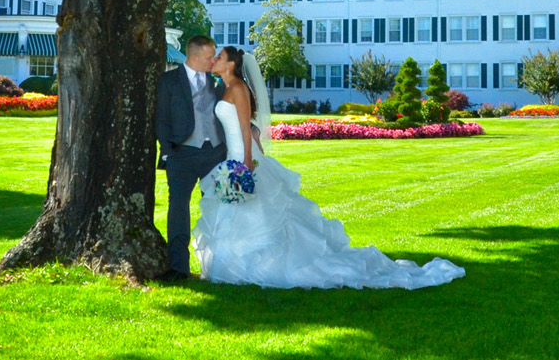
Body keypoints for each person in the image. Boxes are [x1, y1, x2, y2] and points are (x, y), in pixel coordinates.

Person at [193, 45, 465, 290]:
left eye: (220, 57)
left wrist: (247, 163)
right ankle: (232, 265)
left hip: (241, 160)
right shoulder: (225, 88)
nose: (215, 59)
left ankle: (259, 265)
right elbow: (248, 128)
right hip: (231, 158)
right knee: (235, 215)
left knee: (257, 215)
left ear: (231, 64)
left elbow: (244, 128)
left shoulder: (238, 88)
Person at [153, 35, 227, 280]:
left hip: (215, 153)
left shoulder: (218, 81)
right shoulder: (169, 80)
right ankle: (178, 267)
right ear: (194, 57)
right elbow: (161, 118)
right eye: (209, 57)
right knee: (178, 209)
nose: (213, 60)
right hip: (181, 154)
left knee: (217, 208)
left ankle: (218, 264)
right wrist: (168, 151)